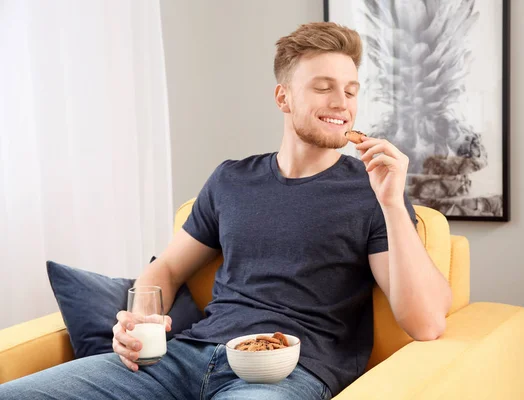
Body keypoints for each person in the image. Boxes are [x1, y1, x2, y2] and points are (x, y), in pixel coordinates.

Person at [0, 21, 451, 400]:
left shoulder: (372, 192)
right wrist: (139, 316)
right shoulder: (231, 180)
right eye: (324, 88)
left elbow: (426, 323)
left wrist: (393, 203)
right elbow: (169, 268)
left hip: (285, 373)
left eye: (351, 91)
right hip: (185, 357)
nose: (342, 104)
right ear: (283, 98)